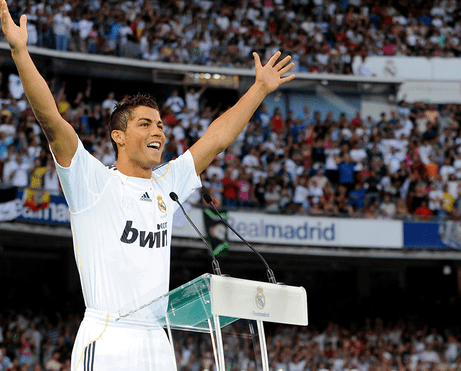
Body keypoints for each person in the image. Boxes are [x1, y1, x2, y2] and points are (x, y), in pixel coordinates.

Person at [0, 1, 296, 370]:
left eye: (160, 125)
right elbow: (52, 120)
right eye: (145, 124)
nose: (158, 131)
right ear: (118, 137)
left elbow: (216, 139)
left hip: (158, 338)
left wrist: (259, 90)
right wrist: (20, 51)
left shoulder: (167, 186)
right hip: (108, 335)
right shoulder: (93, 183)